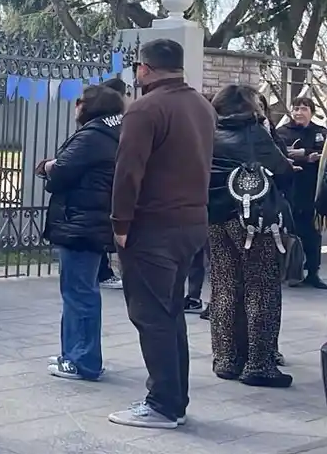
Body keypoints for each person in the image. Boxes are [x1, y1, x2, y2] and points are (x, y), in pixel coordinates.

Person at [108, 38, 216, 429]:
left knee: (151, 314)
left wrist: (120, 223)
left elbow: (128, 171)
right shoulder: (202, 105)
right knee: (170, 313)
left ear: (145, 68)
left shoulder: (145, 108)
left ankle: (163, 404)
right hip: (191, 222)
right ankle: (174, 399)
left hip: (153, 226)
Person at [206, 85, 294, 387]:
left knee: (224, 286)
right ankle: (260, 363)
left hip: (215, 219)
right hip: (253, 221)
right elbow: (283, 170)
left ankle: (226, 358)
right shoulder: (254, 133)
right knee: (262, 287)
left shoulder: (207, 132)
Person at [37, 85, 125, 381]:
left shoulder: (92, 136)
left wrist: (48, 166)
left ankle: (83, 360)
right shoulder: (117, 131)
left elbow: (62, 170)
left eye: (80, 103)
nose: (76, 107)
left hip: (80, 221)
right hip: (94, 219)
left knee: (79, 293)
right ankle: (72, 352)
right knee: (80, 291)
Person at [275, 95, 326, 289]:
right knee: (290, 231)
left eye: (304, 108)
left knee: (313, 233)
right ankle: (292, 272)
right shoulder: (282, 132)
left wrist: (303, 154)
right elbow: (279, 152)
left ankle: (313, 272)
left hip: (313, 191)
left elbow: (322, 154)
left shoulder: (320, 132)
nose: (299, 112)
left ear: (311, 112)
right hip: (290, 189)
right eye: (296, 108)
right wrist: (306, 155)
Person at [96, 78, 131, 289]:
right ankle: (103, 272)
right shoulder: (113, 123)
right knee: (102, 228)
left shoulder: (98, 121)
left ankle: (104, 270)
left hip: (107, 182)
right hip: (107, 183)